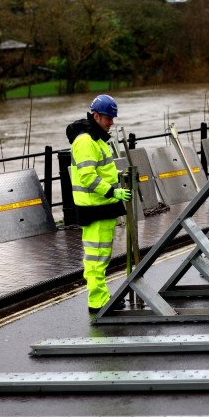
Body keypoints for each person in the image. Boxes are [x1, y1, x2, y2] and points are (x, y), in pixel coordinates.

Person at [65, 94, 131, 313]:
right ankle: (97, 301)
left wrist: (119, 177)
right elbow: (87, 177)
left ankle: (102, 296)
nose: (112, 122)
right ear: (95, 116)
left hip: (102, 205)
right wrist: (113, 190)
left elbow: (101, 170)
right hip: (95, 207)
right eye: (108, 118)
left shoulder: (96, 138)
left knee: (102, 256)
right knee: (96, 257)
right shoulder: (85, 141)